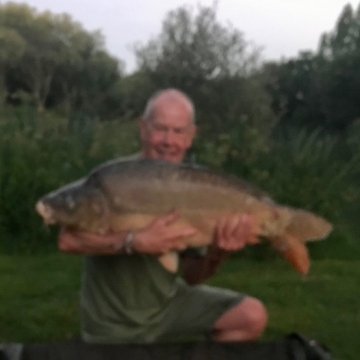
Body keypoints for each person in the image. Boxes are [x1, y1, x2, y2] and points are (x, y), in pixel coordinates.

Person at [58, 88, 267, 344]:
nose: (168, 141)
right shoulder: (114, 179)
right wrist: (133, 242)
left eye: (178, 131)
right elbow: (67, 241)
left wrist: (218, 251)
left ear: (191, 136)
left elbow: (192, 276)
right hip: (115, 323)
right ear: (143, 128)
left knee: (251, 316)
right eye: (160, 128)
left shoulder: (197, 188)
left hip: (168, 305)